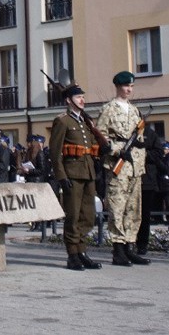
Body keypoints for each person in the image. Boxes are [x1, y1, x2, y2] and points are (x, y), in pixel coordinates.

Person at [97, 71, 150, 266]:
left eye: (132, 86)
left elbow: (140, 137)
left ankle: (130, 246)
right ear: (118, 86)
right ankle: (118, 249)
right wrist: (118, 150)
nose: (129, 89)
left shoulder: (135, 110)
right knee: (117, 207)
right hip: (118, 167)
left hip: (136, 165)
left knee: (134, 208)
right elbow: (101, 138)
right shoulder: (108, 109)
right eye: (126, 86)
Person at [49, 84, 103, 271]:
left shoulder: (86, 122)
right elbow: (55, 153)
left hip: (88, 173)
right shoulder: (62, 122)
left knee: (87, 215)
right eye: (79, 97)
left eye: (83, 97)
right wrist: (61, 176)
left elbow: (93, 144)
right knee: (72, 215)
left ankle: (82, 252)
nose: (83, 100)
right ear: (68, 100)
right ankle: (73, 255)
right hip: (72, 174)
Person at [135, 127, 164, 255]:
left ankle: (142, 244)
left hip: (147, 180)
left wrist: (144, 154)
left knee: (144, 215)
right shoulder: (126, 132)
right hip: (130, 178)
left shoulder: (150, 134)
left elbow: (159, 153)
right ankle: (127, 243)